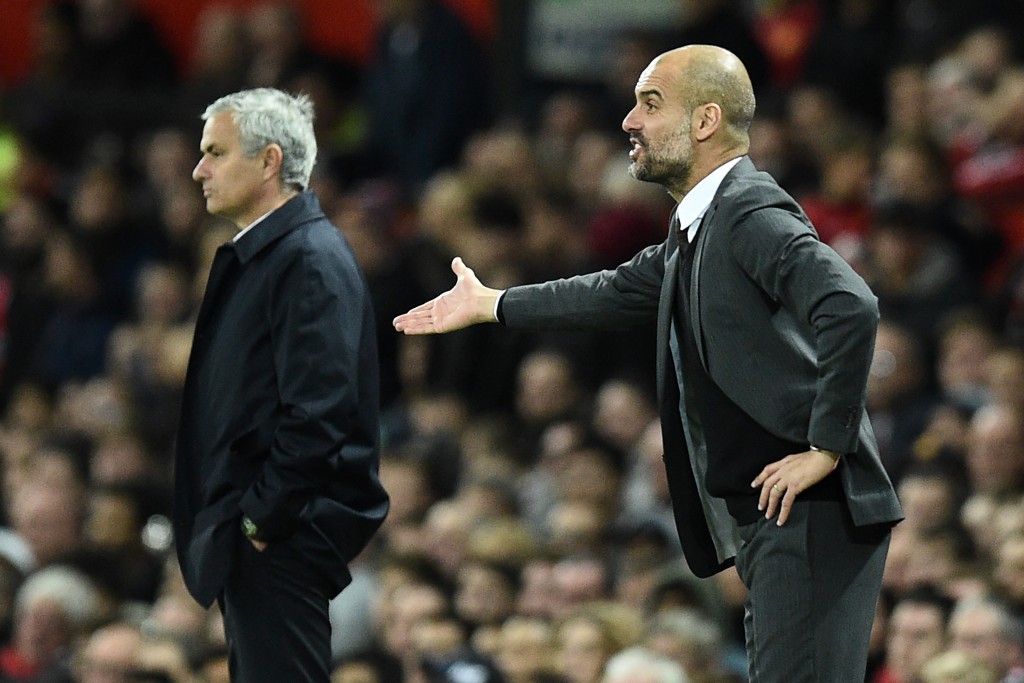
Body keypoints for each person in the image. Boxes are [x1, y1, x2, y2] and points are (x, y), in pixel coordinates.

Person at [394, 44, 903, 681]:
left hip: (810, 511)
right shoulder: (699, 226)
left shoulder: (747, 211)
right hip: (776, 517)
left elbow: (850, 304)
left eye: (651, 104)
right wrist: (493, 303)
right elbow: (609, 291)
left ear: (706, 121)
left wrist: (826, 446)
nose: (629, 121)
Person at [174, 88, 389, 683]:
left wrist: (261, 520)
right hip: (267, 531)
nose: (199, 171)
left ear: (270, 160)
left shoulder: (307, 258)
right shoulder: (278, 254)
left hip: (284, 534)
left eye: (215, 152)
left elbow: (319, 412)